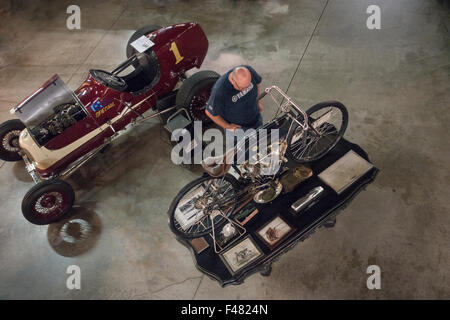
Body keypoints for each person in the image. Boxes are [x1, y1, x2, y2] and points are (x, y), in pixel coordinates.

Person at [205, 65, 263, 132]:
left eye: (248, 85)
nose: (245, 89)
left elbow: (257, 82)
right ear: (233, 81)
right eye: (242, 88)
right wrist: (228, 126)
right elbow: (209, 112)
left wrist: (258, 101)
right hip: (239, 129)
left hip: (256, 119)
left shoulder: (248, 70)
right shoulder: (219, 91)